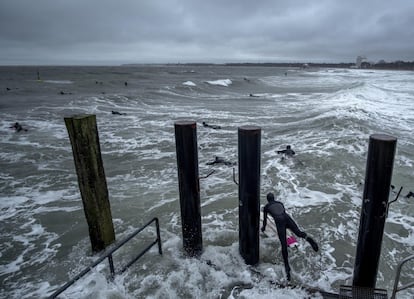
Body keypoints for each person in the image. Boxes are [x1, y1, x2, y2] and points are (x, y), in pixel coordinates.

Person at [261, 192, 318, 281]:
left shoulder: (266, 207)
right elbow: (281, 211)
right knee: (299, 233)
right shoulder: (280, 203)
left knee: (284, 245)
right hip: (287, 218)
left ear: (267, 199)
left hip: (279, 221)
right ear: (274, 198)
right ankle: (309, 240)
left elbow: (265, 220)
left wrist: (263, 228)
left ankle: (287, 267)